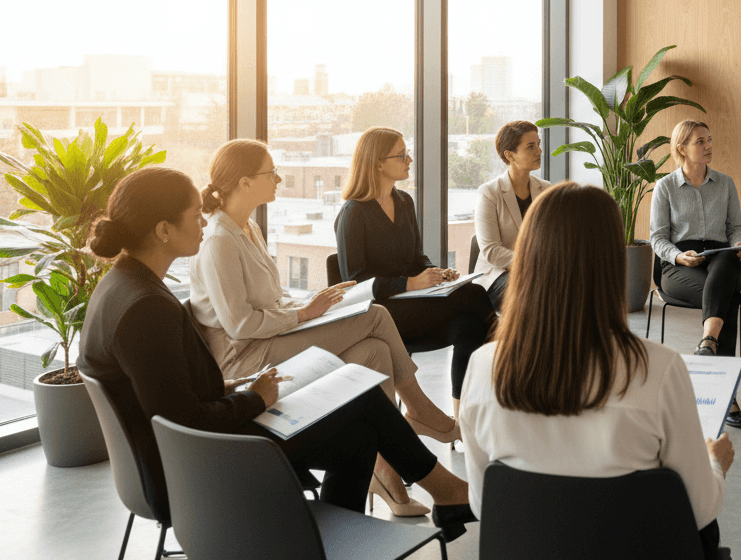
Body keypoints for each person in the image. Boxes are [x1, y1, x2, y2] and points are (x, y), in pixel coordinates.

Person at [77, 167, 476, 535]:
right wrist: (255, 397)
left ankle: (354, 533)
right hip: (197, 466)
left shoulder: (122, 286)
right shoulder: (147, 308)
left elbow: (171, 394)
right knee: (362, 401)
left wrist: (242, 386)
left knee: (359, 433)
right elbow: (185, 418)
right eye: (196, 213)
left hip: (190, 452)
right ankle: (447, 490)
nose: (204, 220)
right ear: (163, 229)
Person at [459, 182, 735, 559]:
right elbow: (700, 509)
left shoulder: (483, 367)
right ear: (610, 261)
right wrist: (715, 463)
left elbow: (483, 504)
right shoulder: (659, 369)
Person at [189, 139, 461, 516]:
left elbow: (269, 300)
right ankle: (419, 411)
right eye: (271, 173)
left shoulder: (247, 228)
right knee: (376, 316)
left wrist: (310, 305)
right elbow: (239, 325)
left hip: (271, 337)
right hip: (247, 358)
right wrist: (303, 315)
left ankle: (382, 470)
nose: (280, 179)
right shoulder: (219, 241)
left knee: (374, 352)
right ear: (245, 182)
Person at [335, 126, 494, 417]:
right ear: (378, 163)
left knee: (470, 324)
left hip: (413, 306)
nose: (409, 160)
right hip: (380, 313)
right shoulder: (353, 213)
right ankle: (509, 348)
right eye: (402, 155)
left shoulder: (404, 202)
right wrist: (408, 284)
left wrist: (435, 272)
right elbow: (355, 282)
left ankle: (462, 418)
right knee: (474, 294)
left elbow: (416, 257)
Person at [649, 119, 741, 429]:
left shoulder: (726, 183)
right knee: (728, 298)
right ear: (682, 149)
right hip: (679, 264)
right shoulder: (666, 187)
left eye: (709, 140)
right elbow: (657, 238)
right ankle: (728, 396)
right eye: (700, 142)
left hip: (721, 258)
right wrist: (679, 255)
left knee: (727, 263)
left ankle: (708, 340)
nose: (708, 146)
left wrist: (738, 244)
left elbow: (736, 228)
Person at [475, 120, 552, 309]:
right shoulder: (489, 193)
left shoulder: (546, 189)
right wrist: (533, 263)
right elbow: (492, 251)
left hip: (541, 273)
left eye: (538, 144)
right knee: (536, 293)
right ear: (510, 155)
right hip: (498, 275)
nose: (539, 151)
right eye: (530, 147)